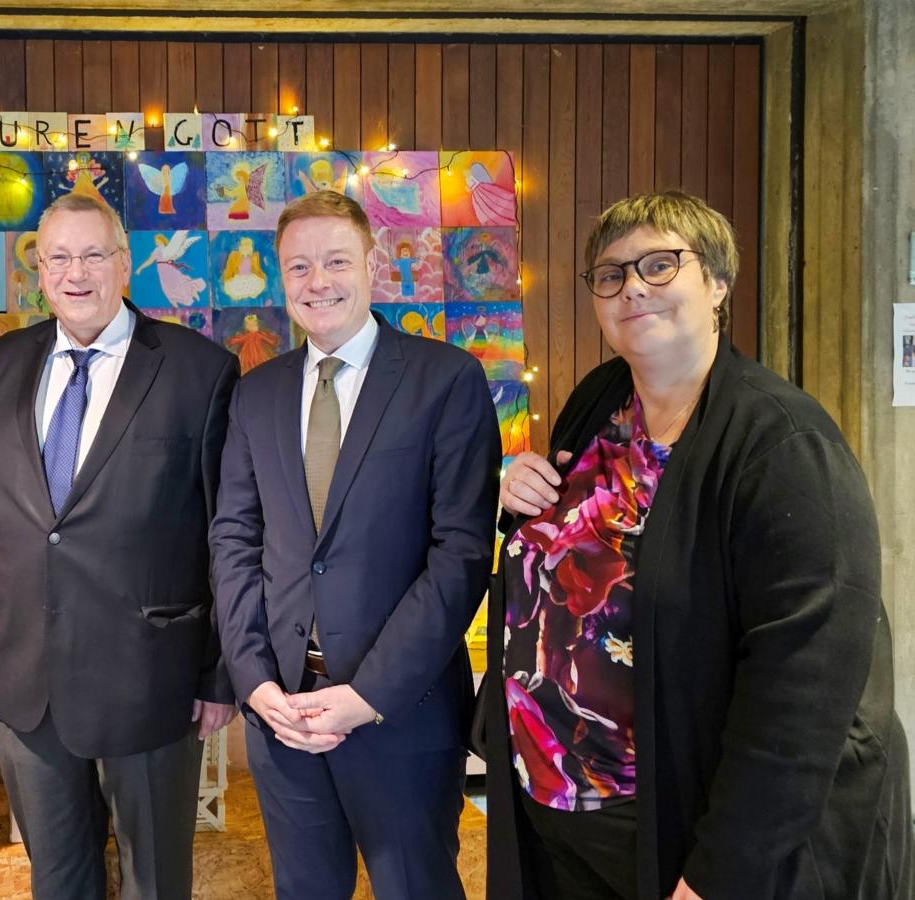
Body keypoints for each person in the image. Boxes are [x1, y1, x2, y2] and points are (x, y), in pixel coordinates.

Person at [484, 190, 913, 900]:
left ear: (717, 282)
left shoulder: (783, 444)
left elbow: (804, 690)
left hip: (678, 830)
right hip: (557, 811)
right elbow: (566, 548)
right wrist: (521, 499)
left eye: (659, 264)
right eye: (612, 273)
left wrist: (720, 875)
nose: (633, 287)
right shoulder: (600, 398)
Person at [211, 189, 500, 899]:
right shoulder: (256, 394)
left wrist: (367, 695)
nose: (318, 283)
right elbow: (236, 541)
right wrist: (254, 681)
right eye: (299, 267)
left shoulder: (445, 379)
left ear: (374, 264)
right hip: (284, 710)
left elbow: (459, 556)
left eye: (336, 261)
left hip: (401, 712)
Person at [0, 193, 240, 900]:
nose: (76, 272)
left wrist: (218, 673)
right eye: (58, 256)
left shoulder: (198, 370)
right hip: (26, 679)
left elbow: (226, 531)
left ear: (125, 263)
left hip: (152, 678)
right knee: (57, 882)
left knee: (155, 882)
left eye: (93, 254)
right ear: (38, 269)